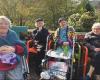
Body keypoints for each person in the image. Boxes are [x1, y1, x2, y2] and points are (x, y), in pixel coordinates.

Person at [0, 16, 27, 80]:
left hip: (13, 63)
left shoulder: (12, 34)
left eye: (6, 24)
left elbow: (23, 48)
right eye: (0, 23)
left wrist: (14, 49)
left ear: (9, 25)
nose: (3, 25)